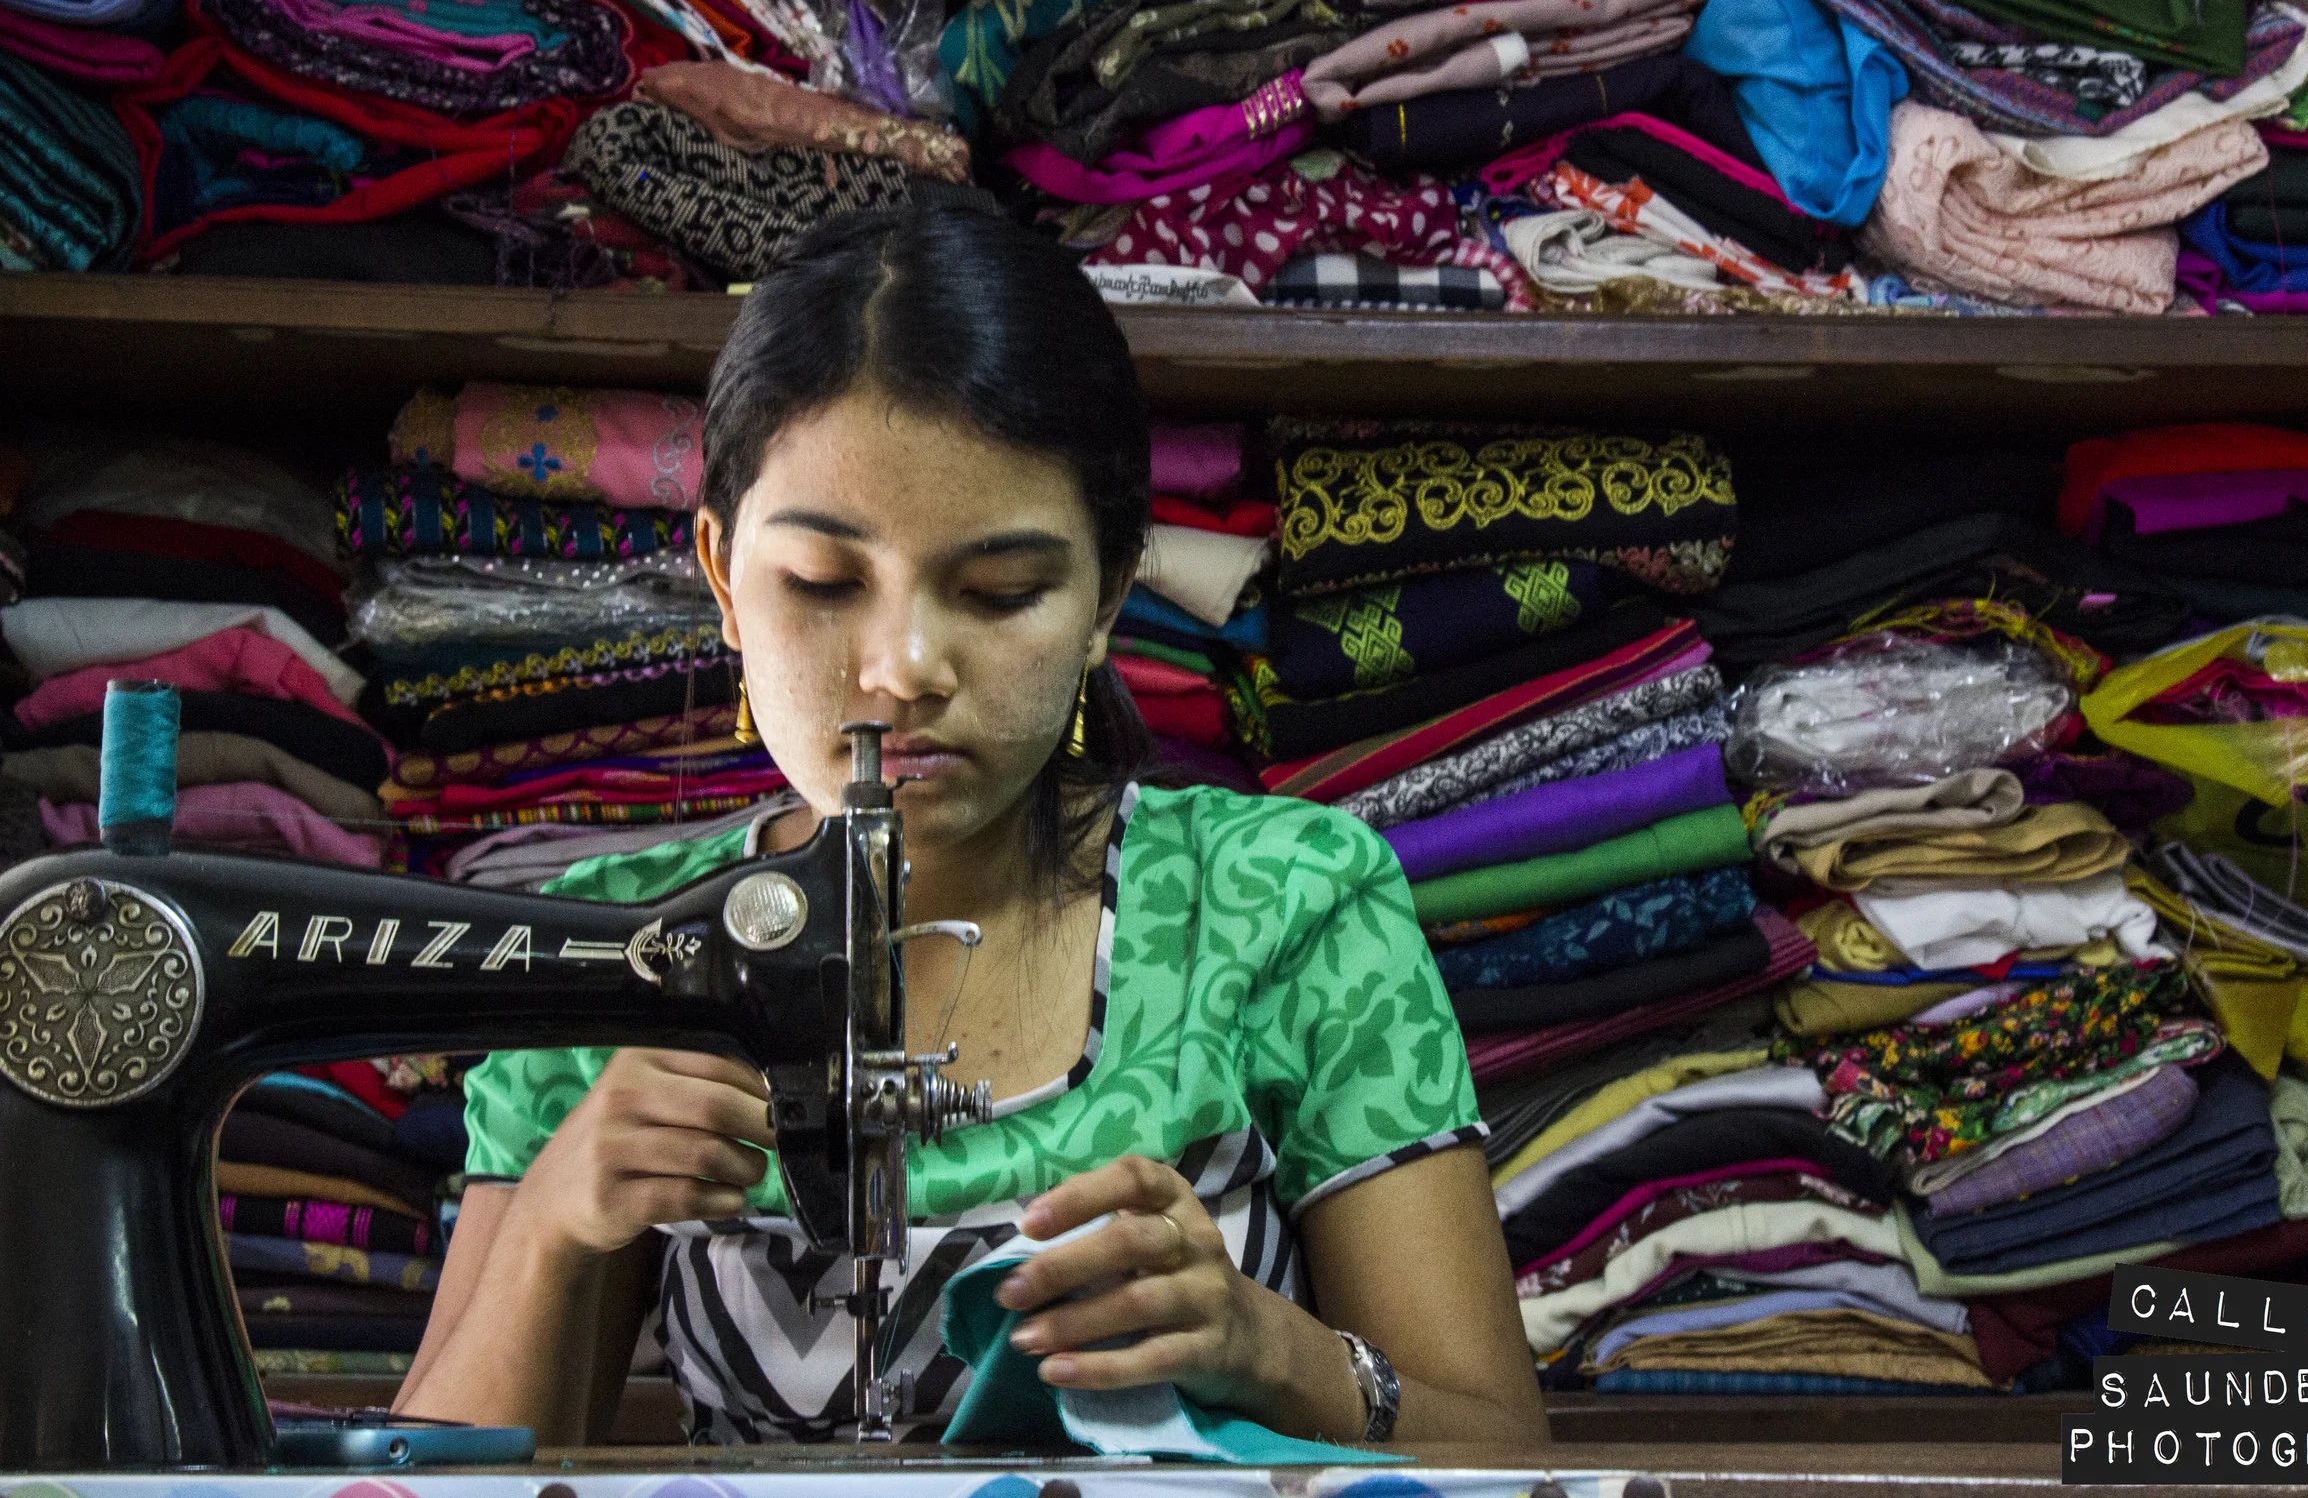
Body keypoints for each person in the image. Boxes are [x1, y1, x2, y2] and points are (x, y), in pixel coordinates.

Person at [397, 200, 1548, 1449]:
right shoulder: (604, 952)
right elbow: (428, 1482)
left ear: (1107, 593)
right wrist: (559, 1219)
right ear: (725, 580)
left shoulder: (1285, 900)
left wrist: (1262, 1347)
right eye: (826, 584)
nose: (902, 667)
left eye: (1000, 593)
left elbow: (1499, 1449)